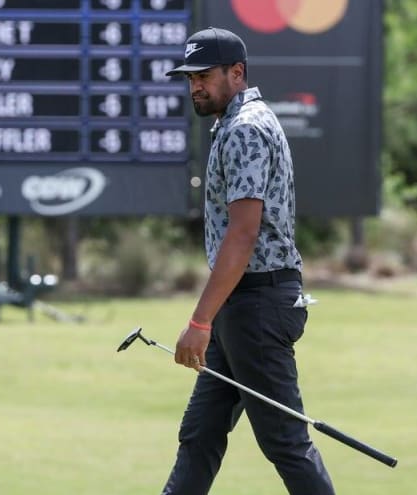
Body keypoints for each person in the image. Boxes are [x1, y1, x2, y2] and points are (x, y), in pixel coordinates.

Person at [160, 27, 335, 494]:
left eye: (204, 75)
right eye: (189, 77)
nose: (195, 85)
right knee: (201, 435)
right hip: (243, 305)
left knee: (285, 443)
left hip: (256, 305)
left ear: (236, 73)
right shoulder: (241, 122)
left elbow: (243, 232)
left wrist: (199, 321)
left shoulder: (244, 129)